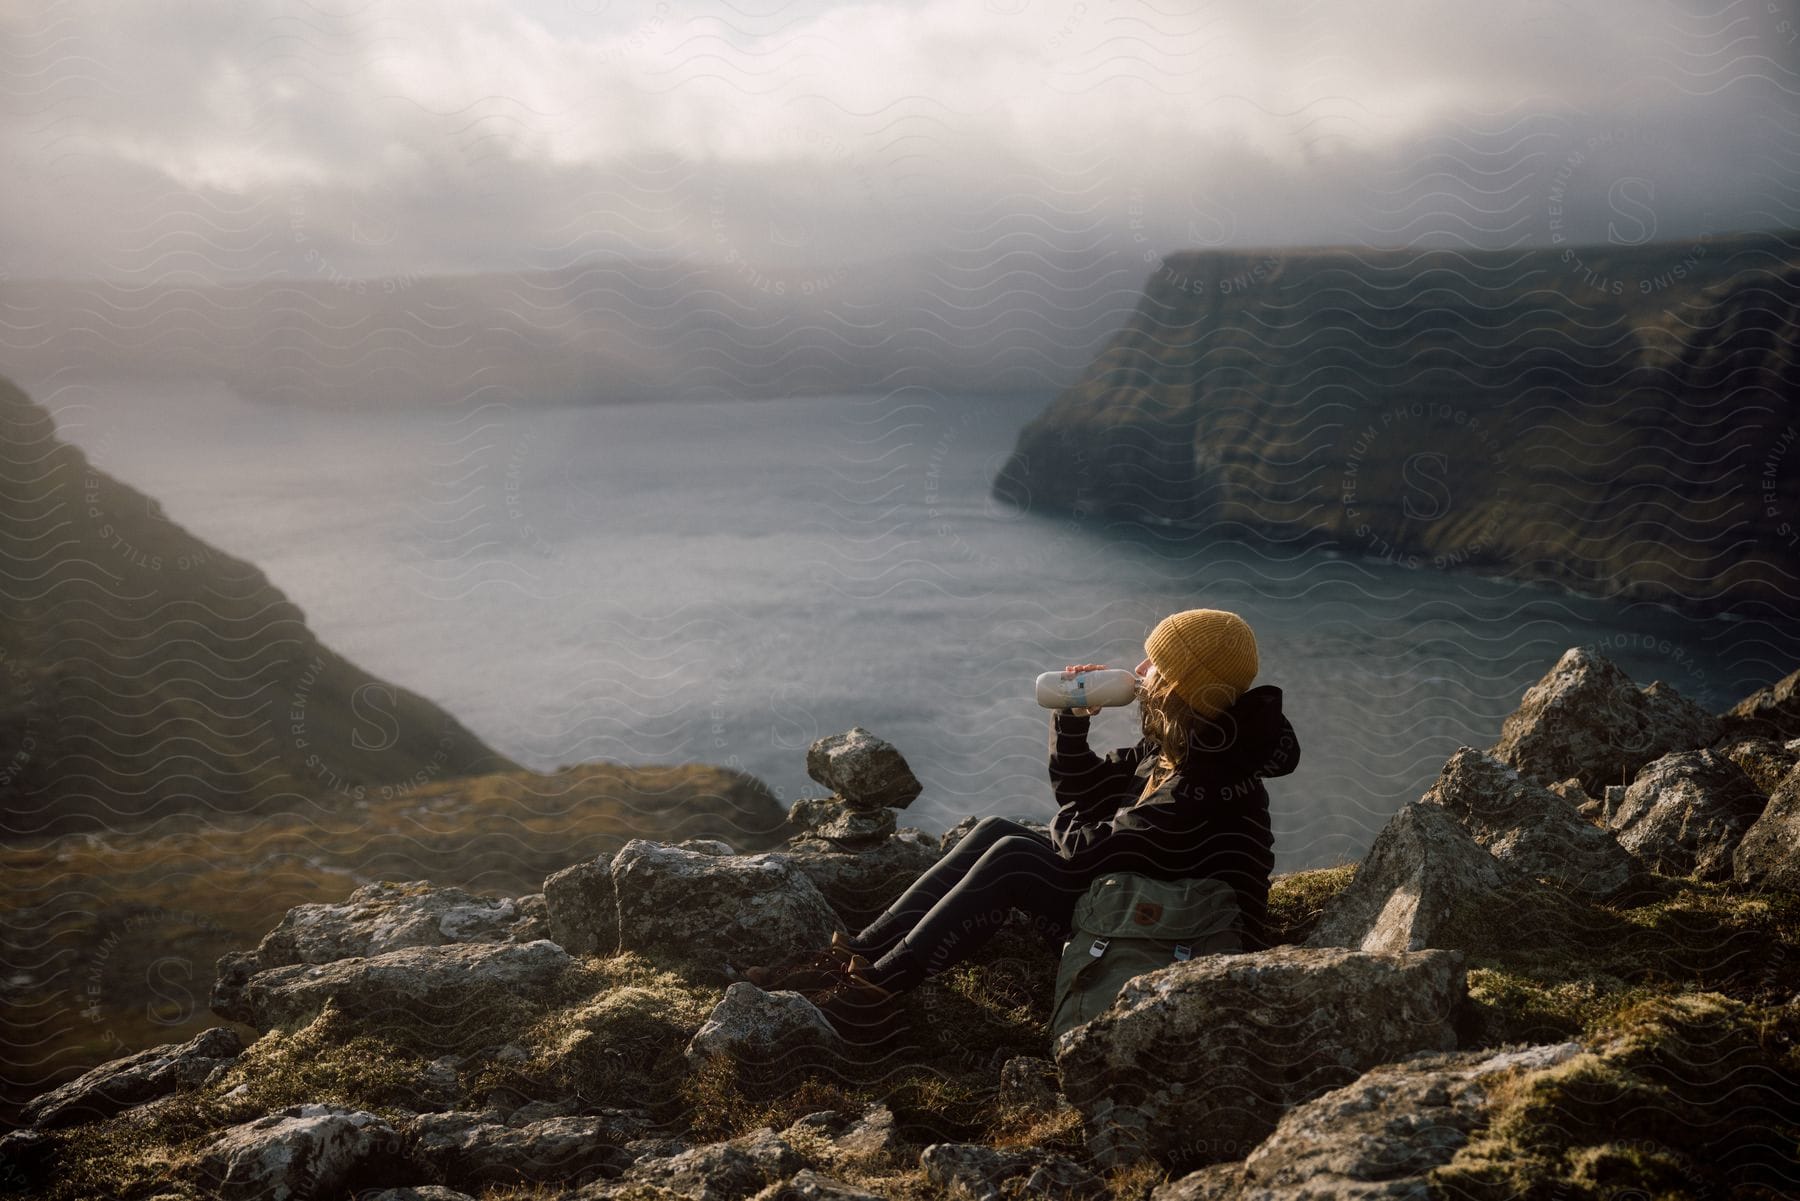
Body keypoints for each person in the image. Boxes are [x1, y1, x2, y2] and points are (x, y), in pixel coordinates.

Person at [742, 607, 1302, 1044]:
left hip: (1196, 930)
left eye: (1152, 663)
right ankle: (854, 958)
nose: (1137, 671)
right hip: (1147, 893)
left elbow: (1081, 854)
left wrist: (1065, 826)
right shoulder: (1181, 747)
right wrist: (1072, 720)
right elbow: (1082, 797)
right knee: (994, 830)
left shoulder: (1203, 782)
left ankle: (869, 1000)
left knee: (1013, 856)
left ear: (1178, 684)